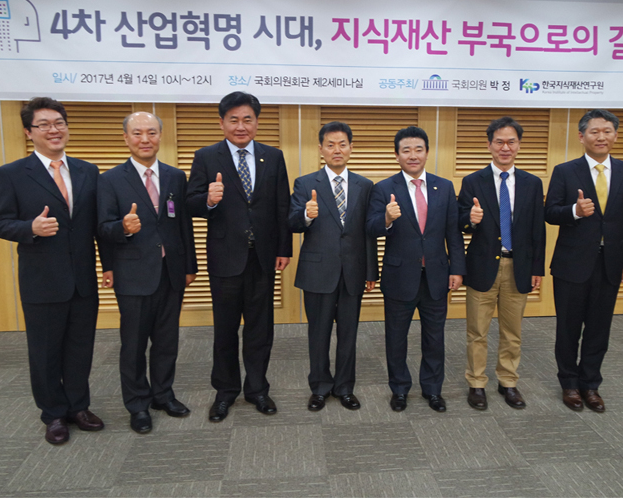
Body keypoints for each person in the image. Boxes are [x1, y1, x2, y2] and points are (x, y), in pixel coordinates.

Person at [0, 97, 107, 445]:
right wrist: (29, 228)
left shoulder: (88, 171)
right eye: (44, 124)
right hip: (42, 279)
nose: (53, 130)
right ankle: (53, 413)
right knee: (44, 350)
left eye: (58, 122)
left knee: (80, 346)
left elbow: (97, 227)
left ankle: (78, 406)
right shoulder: (11, 174)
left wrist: (110, 266)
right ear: (29, 132)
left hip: (83, 278)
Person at [186, 92, 292, 422]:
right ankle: (225, 391)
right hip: (225, 257)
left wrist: (283, 248)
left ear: (257, 123)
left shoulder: (273, 157)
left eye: (247, 119)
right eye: (233, 119)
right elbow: (190, 204)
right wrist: (210, 199)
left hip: (262, 258)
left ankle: (258, 389)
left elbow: (281, 206)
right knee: (225, 329)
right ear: (221, 123)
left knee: (261, 328)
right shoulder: (206, 156)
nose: (241, 126)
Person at [97, 112, 198, 433]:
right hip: (133, 274)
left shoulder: (174, 177)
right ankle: (137, 404)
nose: (145, 139)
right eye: (137, 133)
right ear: (126, 138)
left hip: (171, 272)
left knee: (167, 340)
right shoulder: (110, 179)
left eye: (151, 133)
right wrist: (122, 229)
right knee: (134, 343)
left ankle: (163, 394)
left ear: (160, 136)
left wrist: (190, 266)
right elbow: (101, 227)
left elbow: (183, 225)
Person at [545, 109, 623, 412]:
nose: (601, 137)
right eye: (594, 131)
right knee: (568, 328)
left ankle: (591, 385)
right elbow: (550, 212)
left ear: (615, 135)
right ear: (581, 136)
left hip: (610, 264)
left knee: (600, 328)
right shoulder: (565, 170)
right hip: (572, 264)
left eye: (607, 131)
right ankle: (570, 384)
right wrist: (574, 211)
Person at [366, 126, 465, 413]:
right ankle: (399, 389)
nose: (413, 155)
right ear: (397, 155)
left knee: (435, 337)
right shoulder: (383, 189)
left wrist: (457, 268)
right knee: (396, 337)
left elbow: (453, 232)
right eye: (406, 150)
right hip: (399, 276)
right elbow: (371, 229)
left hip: (436, 274)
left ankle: (433, 389)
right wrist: (386, 218)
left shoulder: (444, 186)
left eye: (418, 149)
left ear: (427, 153)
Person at [288, 121, 378, 412]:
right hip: (318, 272)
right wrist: (306, 215)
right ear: (321, 149)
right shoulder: (305, 183)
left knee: (349, 334)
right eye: (330, 144)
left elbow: (368, 231)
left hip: (353, 272)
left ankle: (344, 387)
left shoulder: (365, 186)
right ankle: (320, 387)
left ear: (351, 148)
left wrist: (371, 271)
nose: (336, 150)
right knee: (319, 333)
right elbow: (291, 223)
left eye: (342, 144)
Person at [457, 117, 545, 411]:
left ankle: (508, 381)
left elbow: (537, 231)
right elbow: (459, 222)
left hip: (518, 267)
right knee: (477, 331)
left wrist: (537, 268)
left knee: (512, 331)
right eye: (499, 142)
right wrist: (470, 220)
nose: (505, 147)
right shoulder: (472, 181)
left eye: (511, 142)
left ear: (519, 145)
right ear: (489, 145)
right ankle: (477, 383)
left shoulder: (532, 183)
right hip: (482, 267)